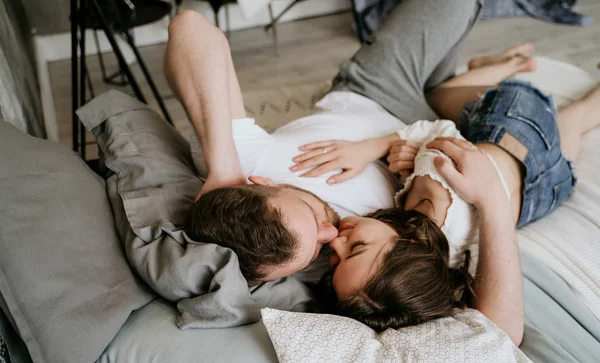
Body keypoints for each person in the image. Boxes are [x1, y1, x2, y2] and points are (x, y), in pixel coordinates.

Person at [165, 1, 525, 342]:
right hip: (421, 144)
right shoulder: (348, 274)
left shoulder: (239, 164)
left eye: (312, 214)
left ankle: (460, 78)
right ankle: (463, 80)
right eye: (318, 251)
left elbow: (190, 26)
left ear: (263, 184)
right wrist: (490, 197)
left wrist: (223, 166)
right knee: (456, 92)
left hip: (373, 92)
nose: (332, 233)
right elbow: (503, 332)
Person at [300, 52, 600, 345]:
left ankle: (507, 63)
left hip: (548, 192)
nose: (336, 242)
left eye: (337, 260)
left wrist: (407, 154)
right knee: (441, 94)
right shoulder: (437, 180)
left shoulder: (456, 263)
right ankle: (510, 65)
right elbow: (437, 130)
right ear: (412, 244)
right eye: (355, 248)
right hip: (520, 135)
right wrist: (401, 148)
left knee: (575, 122)